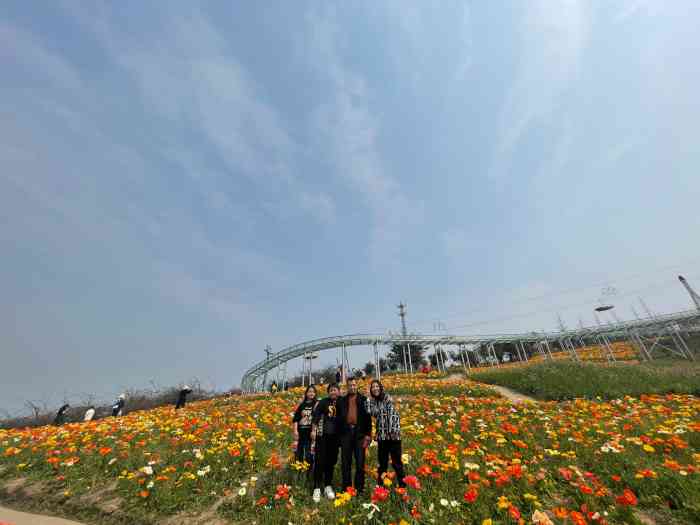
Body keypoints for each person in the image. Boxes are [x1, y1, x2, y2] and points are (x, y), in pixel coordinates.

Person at [366, 379, 406, 488]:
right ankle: (380, 487)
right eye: (373, 387)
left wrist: (392, 432)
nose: (375, 388)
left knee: (396, 463)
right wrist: (368, 400)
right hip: (382, 437)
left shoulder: (387, 398)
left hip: (393, 436)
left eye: (377, 386)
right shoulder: (374, 402)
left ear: (380, 387)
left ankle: (403, 486)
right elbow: (372, 413)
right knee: (382, 463)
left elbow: (392, 415)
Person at [337, 376, 372, 494]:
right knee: (345, 463)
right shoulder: (341, 400)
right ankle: (346, 489)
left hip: (360, 434)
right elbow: (337, 418)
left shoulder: (363, 399)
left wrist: (368, 435)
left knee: (360, 463)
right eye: (350, 385)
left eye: (354, 385)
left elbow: (368, 418)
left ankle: (359, 489)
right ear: (347, 387)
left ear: (357, 386)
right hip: (345, 434)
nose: (352, 387)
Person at [311, 383, 341, 503]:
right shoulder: (323, 402)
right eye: (331, 390)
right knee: (319, 461)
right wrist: (313, 430)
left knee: (331, 461)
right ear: (328, 392)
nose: (333, 392)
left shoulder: (341, 402)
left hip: (335, 438)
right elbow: (316, 416)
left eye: (335, 390)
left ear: (339, 391)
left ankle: (328, 485)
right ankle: (317, 487)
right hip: (322, 437)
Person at [292, 385, 318, 467]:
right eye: (309, 391)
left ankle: (308, 472)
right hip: (301, 432)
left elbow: (317, 419)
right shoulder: (302, 405)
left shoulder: (316, 404)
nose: (311, 393)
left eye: (313, 392)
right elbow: (296, 419)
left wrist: (314, 431)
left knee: (309, 454)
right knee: (298, 452)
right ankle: (298, 470)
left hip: (310, 433)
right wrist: (295, 431)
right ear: (306, 393)